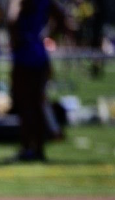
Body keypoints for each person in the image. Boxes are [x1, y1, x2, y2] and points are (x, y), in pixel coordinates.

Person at [7, 0, 73, 162]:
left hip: (25, 55)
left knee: (25, 104)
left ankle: (28, 147)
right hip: (39, 53)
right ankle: (37, 148)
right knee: (37, 103)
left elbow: (12, 19)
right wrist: (47, 36)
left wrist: (15, 39)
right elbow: (63, 18)